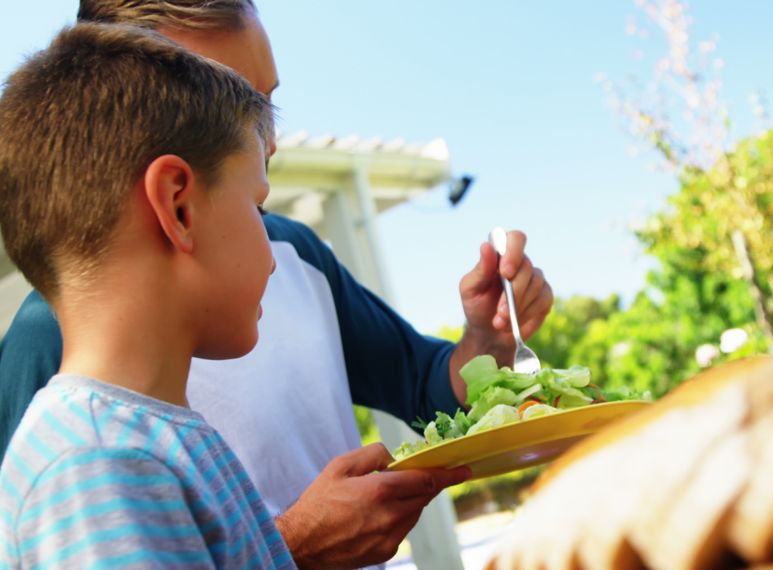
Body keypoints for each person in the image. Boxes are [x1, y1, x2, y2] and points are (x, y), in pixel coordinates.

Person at [0, 1, 552, 568]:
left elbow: (423, 386)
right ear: (177, 203)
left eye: (267, 102)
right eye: (231, 96)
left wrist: (487, 340)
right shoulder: (85, 447)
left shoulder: (175, 420)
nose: (270, 141)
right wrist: (294, 546)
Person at [0, 22, 293, 566]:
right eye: (258, 208)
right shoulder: (97, 462)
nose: (274, 255)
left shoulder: (141, 436)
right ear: (178, 206)